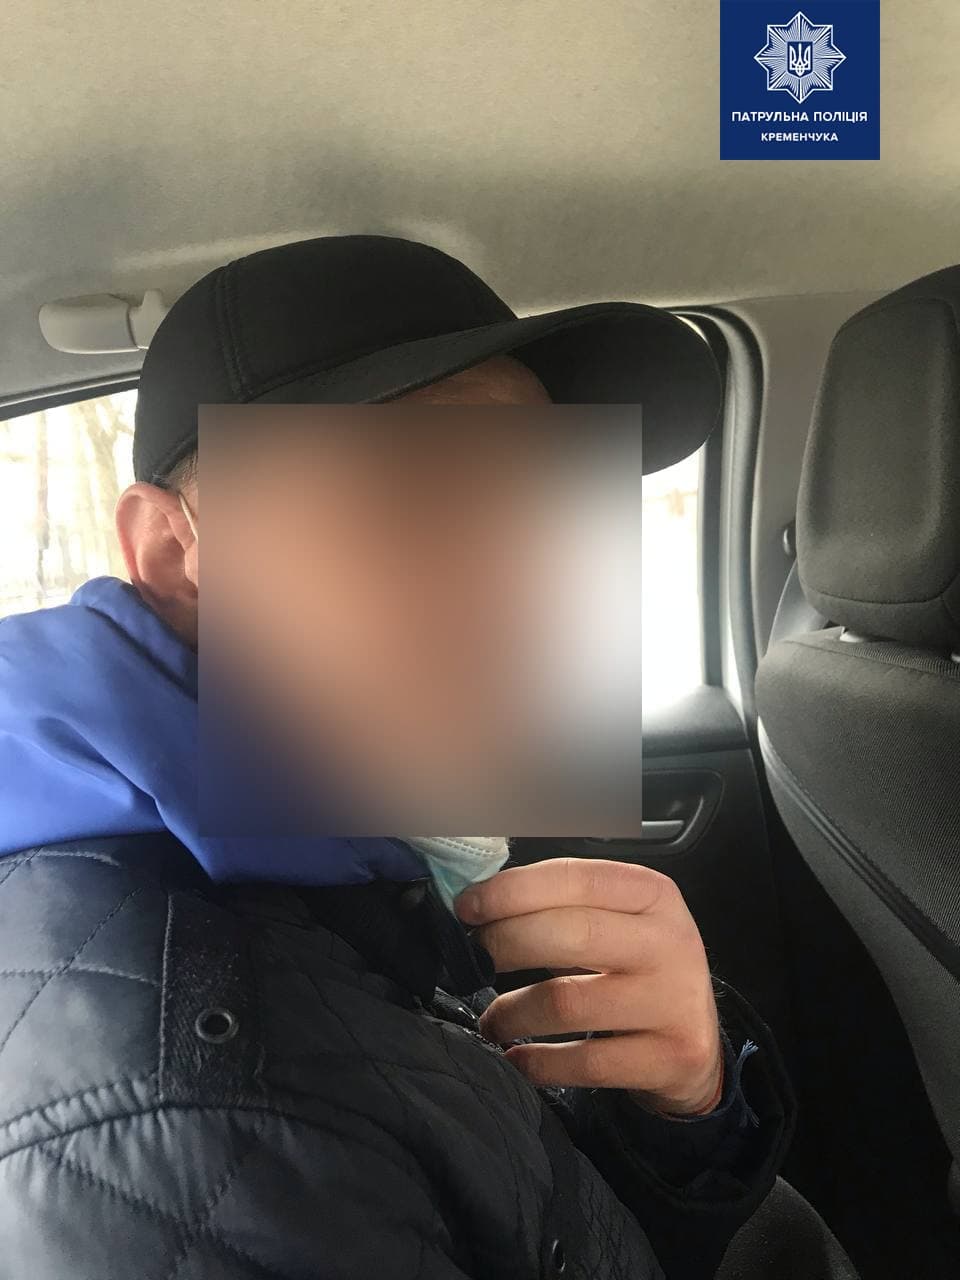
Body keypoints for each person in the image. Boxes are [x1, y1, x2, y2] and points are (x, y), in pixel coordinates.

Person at [0, 236, 857, 1279]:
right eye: (412, 502)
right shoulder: (193, 1116)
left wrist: (680, 1112)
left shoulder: (343, 855)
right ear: (180, 559)